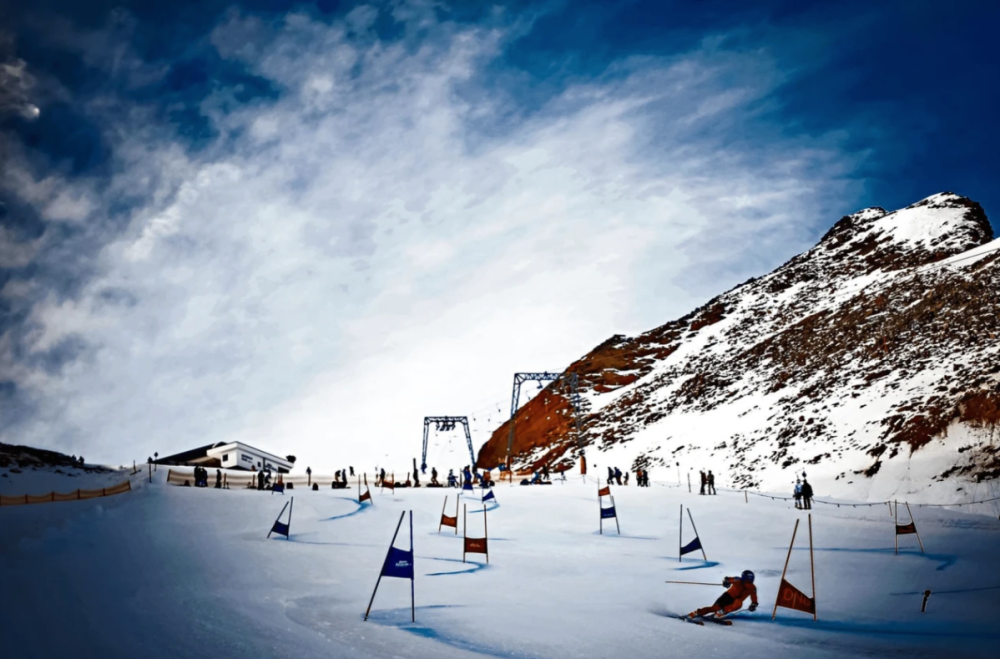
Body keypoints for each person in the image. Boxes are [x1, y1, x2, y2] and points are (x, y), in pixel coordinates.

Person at [688, 570, 758, 619]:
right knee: (714, 608)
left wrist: (753, 605)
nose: (748, 582)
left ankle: (719, 613)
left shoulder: (752, 588)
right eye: (747, 580)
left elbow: (754, 598)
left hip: (734, 602)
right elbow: (728, 579)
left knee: (738, 602)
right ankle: (696, 613)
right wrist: (726, 582)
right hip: (726, 597)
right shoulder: (738, 580)